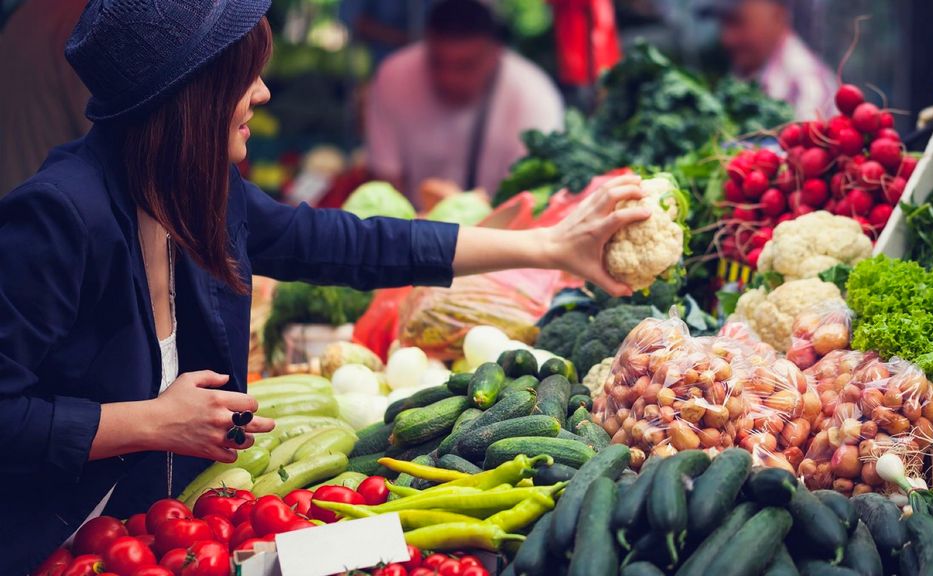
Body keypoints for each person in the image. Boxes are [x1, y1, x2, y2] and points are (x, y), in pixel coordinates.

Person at [0, 1, 650, 573]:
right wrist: (149, 423)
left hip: (163, 538)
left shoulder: (200, 193)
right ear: (190, 96)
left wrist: (547, 245)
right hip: (63, 547)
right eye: (243, 75)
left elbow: (358, 244)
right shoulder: (59, 217)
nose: (262, 94)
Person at [366, 0, 564, 208]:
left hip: (503, 234)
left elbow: (535, 202)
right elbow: (385, 187)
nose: (449, 78)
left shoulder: (534, 96)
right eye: (437, 62)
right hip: (412, 232)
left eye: (466, 65)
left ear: (496, 54)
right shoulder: (394, 78)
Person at [0, 0, 91, 197]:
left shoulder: (23, 18)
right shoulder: (84, 24)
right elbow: (122, 150)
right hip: (62, 212)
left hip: (21, 206)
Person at [700, 0, 837, 121]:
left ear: (778, 15)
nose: (727, 39)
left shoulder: (806, 87)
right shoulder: (746, 72)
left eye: (737, 22)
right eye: (722, 24)